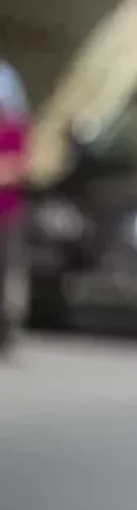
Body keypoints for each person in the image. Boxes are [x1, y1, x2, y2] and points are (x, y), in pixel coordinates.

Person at [0, 59, 29, 354]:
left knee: (7, 273)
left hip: (7, 213)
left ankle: (7, 329)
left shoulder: (14, 132)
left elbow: (18, 167)